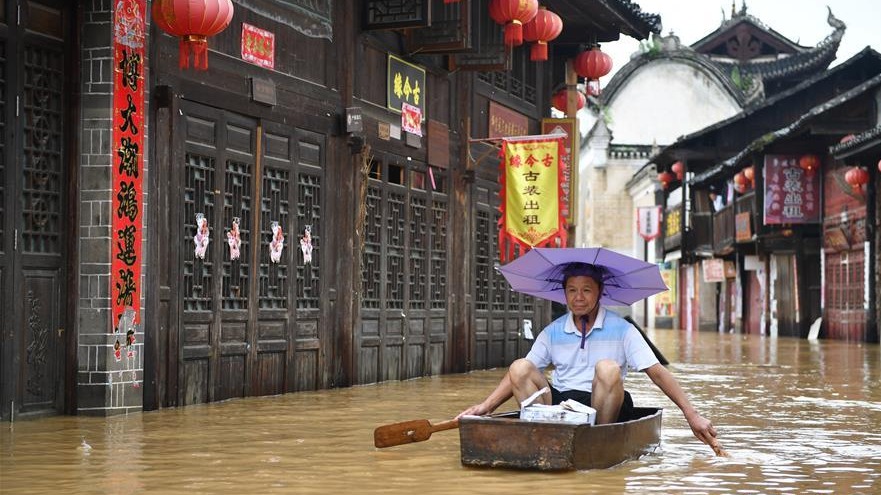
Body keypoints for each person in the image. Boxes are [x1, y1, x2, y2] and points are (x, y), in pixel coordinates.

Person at [458, 262, 721, 451]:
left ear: (599, 292)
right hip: (561, 406)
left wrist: (691, 414)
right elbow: (520, 375)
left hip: (604, 405)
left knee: (607, 368)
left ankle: (598, 441)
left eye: (586, 290)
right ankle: (546, 437)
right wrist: (486, 407)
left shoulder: (623, 330)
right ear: (565, 294)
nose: (578, 297)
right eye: (572, 290)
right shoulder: (553, 331)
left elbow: (658, 372)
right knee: (519, 366)